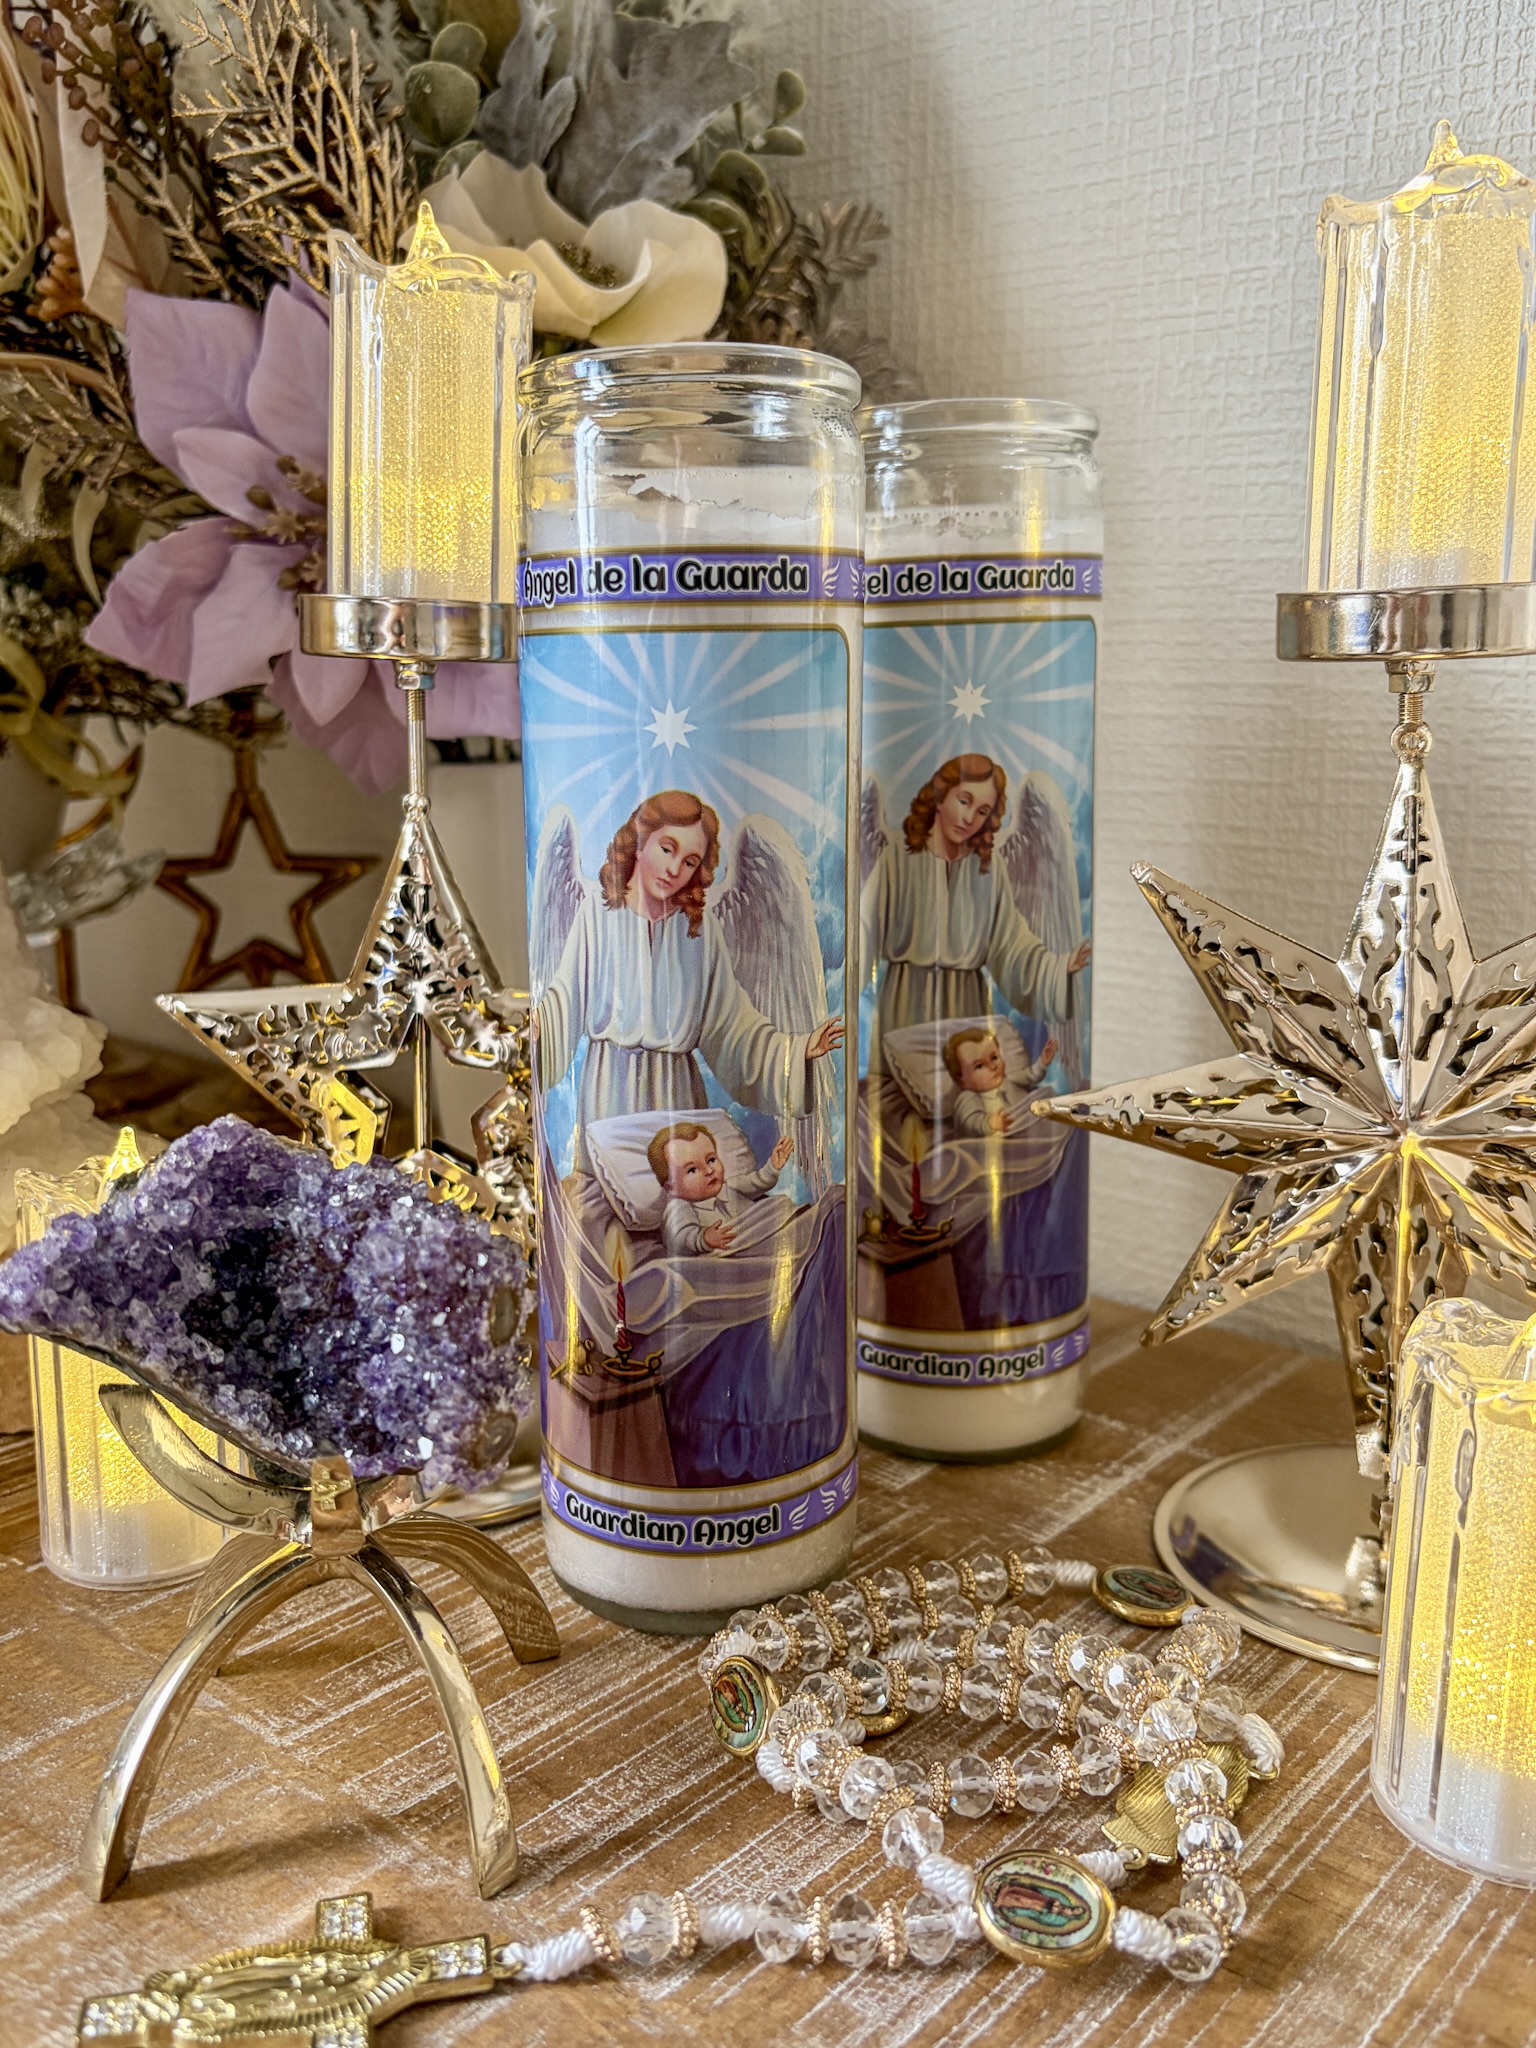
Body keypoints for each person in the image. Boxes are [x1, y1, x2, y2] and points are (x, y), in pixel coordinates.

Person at [538, 790, 843, 1160]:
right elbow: (563, 1000)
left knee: (685, 1188)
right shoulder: (595, 916)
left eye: (689, 861)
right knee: (611, 1189)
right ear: (639, 842)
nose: (674, 869)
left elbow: (732, 1027)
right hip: (609, 1094)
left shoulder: (699, 931)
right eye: (667, 849)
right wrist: (538, 1028)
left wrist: (795, 1052)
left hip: (677, 1095)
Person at [861, 754, 1089, 1067]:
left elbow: (1012, 946)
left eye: (982, 811)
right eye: (964, 801)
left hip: (966, 1009)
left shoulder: (988, 868)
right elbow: (864, 931)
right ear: (940, 796)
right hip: (905, 1007)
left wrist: (1059, 968)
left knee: (969, 1088)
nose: (969, 818)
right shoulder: (896, 857)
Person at [649, 1123, 795, 1255]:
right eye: (692, 1170)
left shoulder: (731, 1186)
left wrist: (773, 1166)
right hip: (732, 1251)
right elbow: (679, 1236)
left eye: (711, 1160)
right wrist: (703, 1239)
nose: (709, 1170)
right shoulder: (679, 1207)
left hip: (761, 1232)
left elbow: (759, 1181)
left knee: (779, 1204)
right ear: (671, 1187)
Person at [945, 1026, 1058, 1135]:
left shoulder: (1010, 1079)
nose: (992, 1066)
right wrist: (989, 1124)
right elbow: (970, 1122)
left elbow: (1031, 1076)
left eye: (994, 1058)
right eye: (979, 1066)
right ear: (961, 1081)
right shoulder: (968, 1097)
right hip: (1010, 1137)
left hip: (1033, 1121)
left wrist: (1042, 1062)